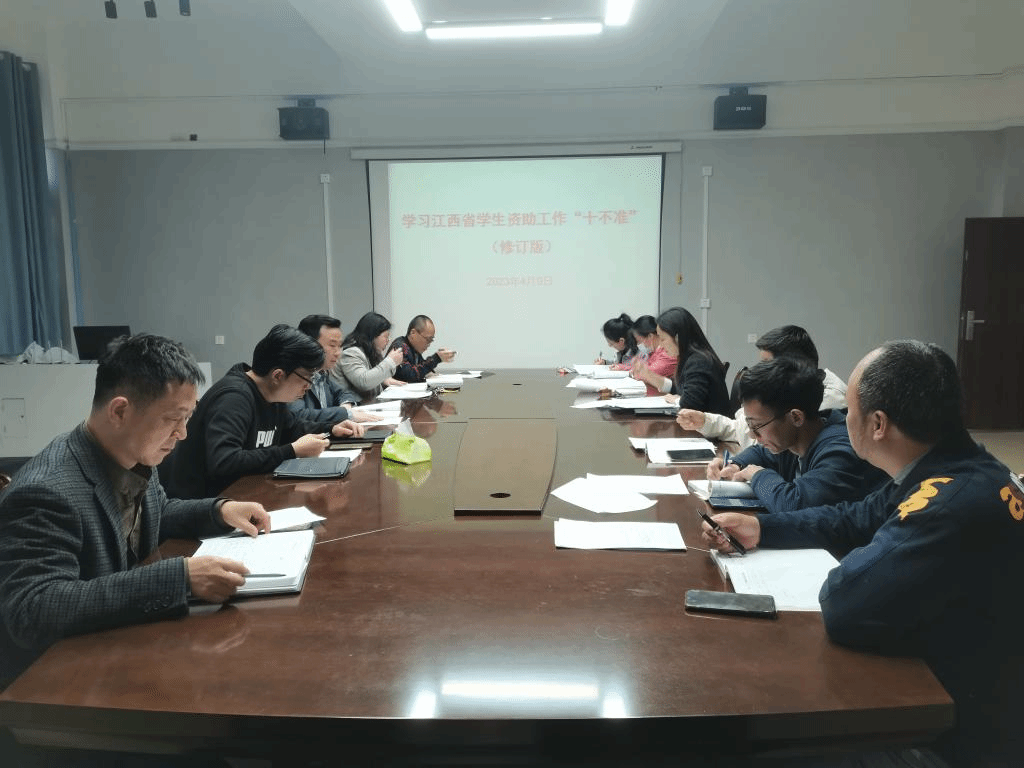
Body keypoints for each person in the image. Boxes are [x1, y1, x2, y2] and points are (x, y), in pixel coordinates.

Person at [701, 341, 1024, 767]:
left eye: (849, 409)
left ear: (877, 424)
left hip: (950, 739)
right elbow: (855, 517)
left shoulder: (944, 505)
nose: (839, 418)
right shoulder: (961, 467)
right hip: (956, 692)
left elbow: (843, 601)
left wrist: (864, 555)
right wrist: (762, 528)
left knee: (752, 734)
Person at [0, 333, 272, 690]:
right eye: (174, 419)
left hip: (120, 646)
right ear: (120, 411)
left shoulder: (132, 453)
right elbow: (33, 609)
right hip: (58, 684)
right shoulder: (46, 491)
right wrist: (178, 577)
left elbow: (154, 515)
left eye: (188, 417)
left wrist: (219, 511)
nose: (183, 433)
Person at [165, 324, 364, 499]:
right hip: (205, 504)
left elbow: (292, 427)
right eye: (307, 378)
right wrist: (292, 451)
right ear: (278, 375)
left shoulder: (271, 395)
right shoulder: (234, 398)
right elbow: (225, 461)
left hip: (243, 495)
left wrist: (331, 429)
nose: (309, 386)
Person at [706, 356, 886, 512]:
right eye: (749, 425)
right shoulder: (797, 436)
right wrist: (735, 464)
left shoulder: (839, 451)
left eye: (757, 425)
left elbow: (795, 504)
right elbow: (762, 453)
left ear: (796, 417)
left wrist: (758, 475)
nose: (753, 436)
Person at [679, 324, 847, 450]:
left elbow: (764, 444)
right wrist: (706, 421)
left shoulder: (827, 401)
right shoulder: (793, 389)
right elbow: (749, 430)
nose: (760, 369)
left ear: (791, 367)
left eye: (767, 363)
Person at [635, 306, 730, 414]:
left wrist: (676, 400)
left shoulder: (698, 361)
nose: (661, 345)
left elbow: (691, 404)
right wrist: (651, 377)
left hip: (708, 424)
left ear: (678, 338)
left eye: (663, 339)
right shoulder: (690, 358)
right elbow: (681, 388)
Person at [289, 314, 380, 424]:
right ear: (310, 344)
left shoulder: (321, 373)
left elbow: (342, 392)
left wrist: (346, 406)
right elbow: (299, 415)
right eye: (332, 345)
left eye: (340, 345)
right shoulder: (295, 375)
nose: (338, 353)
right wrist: (344, 414)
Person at [331, 311, 404, 401]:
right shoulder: (351, 352)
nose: (388, 340)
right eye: (386, 336)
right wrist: (390, 361)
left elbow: (370, 376)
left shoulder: (370, 352)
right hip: (351, 406)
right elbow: (363, 382)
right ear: (373, 335)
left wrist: (383, 380)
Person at [388, 314, 456, 383]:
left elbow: (423, 369)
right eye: (428, 339)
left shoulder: (414, 349)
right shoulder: (400, 347)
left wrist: (430, 373)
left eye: (431, 340)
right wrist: (436, 358)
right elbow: (409, 376)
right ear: (413, 333)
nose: (429, 344)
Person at [629, 314, 677, 395]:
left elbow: (647, 373)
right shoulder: (654, 352)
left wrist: (640, 371)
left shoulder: (668, 354)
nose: (661, 344)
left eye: (662, 339)